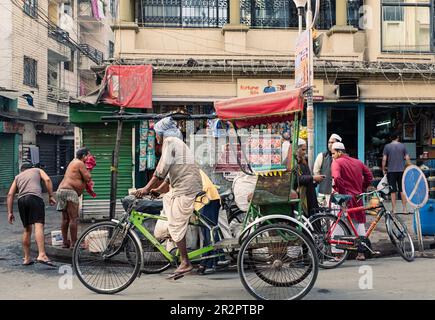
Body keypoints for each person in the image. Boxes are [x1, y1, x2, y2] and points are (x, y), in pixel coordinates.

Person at [135, 117, 203, 278]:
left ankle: (185, 262)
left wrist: (145, 188)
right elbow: (168, 177)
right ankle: (174, 244)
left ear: (161, 133)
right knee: (167, 203)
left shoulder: (170, 141)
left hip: (186, 188)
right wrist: (158, 190)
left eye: (156, 133)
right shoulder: (177, 143)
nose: (155, 137)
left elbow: (162, 169)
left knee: (175, 224)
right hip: (181, 187)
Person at [6, 163, 57, 266]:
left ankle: (27, 258)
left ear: (22, 170)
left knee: (27, 229)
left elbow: (10, 194)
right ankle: (42, 254)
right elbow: (47, 179)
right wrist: (51, 195)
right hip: (34, 198)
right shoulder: (37, 170)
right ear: (31, 168)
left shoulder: (18, 177)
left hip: (21, 200)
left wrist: (10, 212)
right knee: (38, 225)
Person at [331, 142, 373, 261]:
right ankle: (361, 253)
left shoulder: (337, 162)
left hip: (343, 198)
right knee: (358, 223)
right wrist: (362, 188)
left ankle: (338, 254)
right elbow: (369, 176)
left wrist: (342, 192)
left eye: (333, 153)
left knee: (337, 223)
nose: (332, 156)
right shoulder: (358, 162)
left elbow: (337, 178)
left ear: (340, 152)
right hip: (357, 197)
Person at [56, 147, 92, 249]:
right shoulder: (80, 163)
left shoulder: (73, 162)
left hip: (61, 191)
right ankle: (74, 243)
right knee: (73, 219)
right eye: (88, 155)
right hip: (69, 192)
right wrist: (89, 169)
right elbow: (88, 177)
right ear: (84, 156)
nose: (89, 157)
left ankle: (65, 242)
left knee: (65, 219)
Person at [382, 131, 411, 214]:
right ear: (398, 137)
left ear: (391, 138)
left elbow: (384, 159)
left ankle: (394, 209)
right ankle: (404, 209)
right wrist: (409, 168)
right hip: (402, 171)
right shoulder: (403, 146)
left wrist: (383, 169)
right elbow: (407, 158)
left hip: (391, 171)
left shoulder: (387, 146)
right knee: (402, 190)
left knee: (393, 191)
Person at [295, 138, 324, 217]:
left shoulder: (303, 162)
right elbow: (297, 179)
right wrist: (313, 178)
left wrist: (315, 181)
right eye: (303, 150)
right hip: (302, 196)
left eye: (305, 150)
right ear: (297, 149)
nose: (304, 152)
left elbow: (307, 177)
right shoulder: (294, 163)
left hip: (309, 193)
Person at [313, 133, 342, 206]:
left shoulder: (342, 158)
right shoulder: (322, 156)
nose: (330, 144)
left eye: (332, 142)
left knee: (336, 214)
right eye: (329, 142)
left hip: (337, 193)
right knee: (323, 214)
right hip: (323, 192)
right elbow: (316, 171)